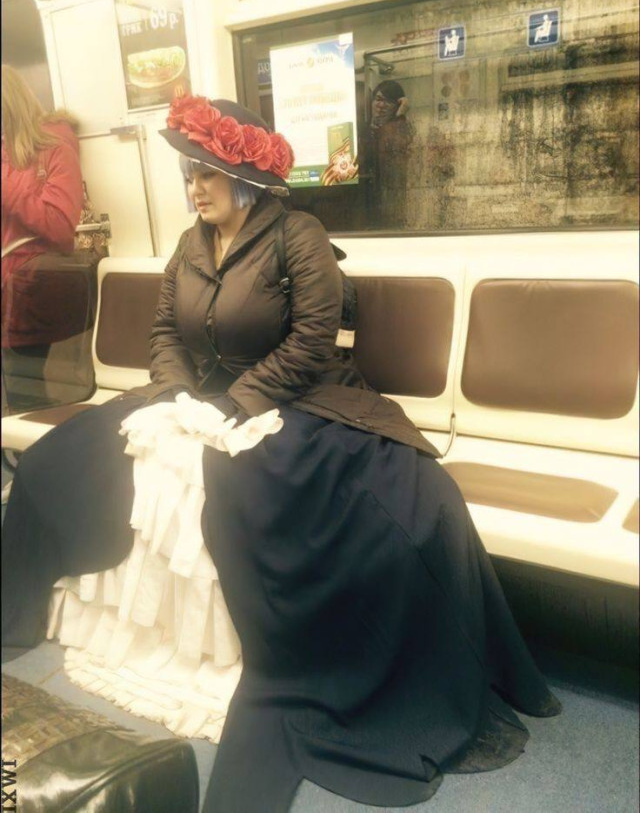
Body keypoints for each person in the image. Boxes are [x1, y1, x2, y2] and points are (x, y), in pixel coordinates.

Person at [2, 94, 561, 813]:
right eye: (188, 174)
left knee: (289, 496)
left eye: (206, 173)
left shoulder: (299, 236)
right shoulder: (190, 244)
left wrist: (233, 405)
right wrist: (178, 397)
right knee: (58, 458)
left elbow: (310, 343)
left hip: (298, 397)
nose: (194, 187)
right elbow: (166, 331)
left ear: (243, 176)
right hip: (199, 395)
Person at [1, 65, 90, 411]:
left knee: (27, 393)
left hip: (29, 292)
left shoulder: (53, 143)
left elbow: (59, 225)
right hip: (10, 289)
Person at [366, 79, 415, 228]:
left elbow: (396, 152)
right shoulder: (364, 130)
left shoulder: (402, 129)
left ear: (397, 106)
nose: (381, 106)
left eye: (388, 102)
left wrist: (399, 116)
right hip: (368, 202)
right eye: (378, 99)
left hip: (392, 199)